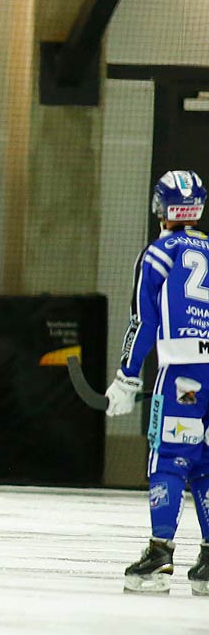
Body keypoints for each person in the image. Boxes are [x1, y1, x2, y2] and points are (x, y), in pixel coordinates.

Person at [107, 169, 209, 595]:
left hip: (181, 374)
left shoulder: (158, 254)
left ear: (160, 207)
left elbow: (144, 321)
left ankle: (160, 553)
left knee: (168, 459)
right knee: (205, 463)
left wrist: (127, 378)